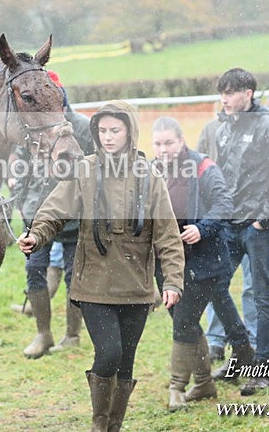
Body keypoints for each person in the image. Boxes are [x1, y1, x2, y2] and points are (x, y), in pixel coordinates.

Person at [18, 100, 184, 431]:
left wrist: (173, 282)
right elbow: (54, 208)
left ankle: (113, 426)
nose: (108, 137)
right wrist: (36, 235)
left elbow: (167, 235)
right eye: (103, 130)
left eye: (115, 131)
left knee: (126, 362)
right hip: (93, 283)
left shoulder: (150, 178)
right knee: (108, 353)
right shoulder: (85, 170)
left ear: (130, 132)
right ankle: (98, 425)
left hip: (137, 287)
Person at [151, 116, 253, 412]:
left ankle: (177, 388)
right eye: (158, 144)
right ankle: (209, 380)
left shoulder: (203, 167)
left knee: (184, 321)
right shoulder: (153, 170)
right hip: (168, 262)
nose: (164, 149)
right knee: (188, 321)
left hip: (204, 261)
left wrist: (203, 228)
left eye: (169, 142)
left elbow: (224, 204)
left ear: (181, 141)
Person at [211, 68, 269, 396]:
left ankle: (262, 364)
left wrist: (265, 218)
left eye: (230, 93)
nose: (224, 100)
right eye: (222, 93)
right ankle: (241, 354)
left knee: (262, 294)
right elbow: (223, 175)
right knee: (215, 286)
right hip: (230, 225)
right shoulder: (224, 127)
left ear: (248, 92)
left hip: (258, 227)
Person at [13, 85, 94, 359]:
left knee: (75, 276)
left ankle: (72, 335)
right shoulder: (33, 129)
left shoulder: (82, 127)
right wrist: (19, 193)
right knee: (34, 268)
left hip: (74, 213)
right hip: (38, 212)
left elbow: (95, 166)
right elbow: (20, 163)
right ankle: (42, 333)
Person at [196, 106, 257, 363]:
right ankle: (216, 340)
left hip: (252, 218)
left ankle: (251, 341)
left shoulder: (258, 130)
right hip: (223, 222)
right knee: (216, 285)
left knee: (252, 286)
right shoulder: (211, 131)